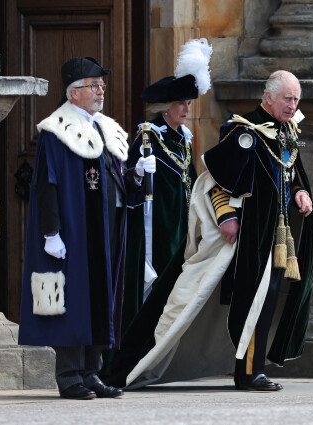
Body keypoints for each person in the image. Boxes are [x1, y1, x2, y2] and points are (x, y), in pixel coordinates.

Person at [106, 70, 313, 392]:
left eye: (296, 99)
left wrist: (300, 192)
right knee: (242, 300)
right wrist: (226, 216)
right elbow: (216, 179)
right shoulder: (244, 130)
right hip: (246, 235)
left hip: (275, 234)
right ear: (269, 97)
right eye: (287, 98)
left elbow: (291, 172)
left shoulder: (288, 131)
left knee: (268, 301)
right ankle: (246, 373)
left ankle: (253, 369)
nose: (292, 105)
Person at [18, 57, 156, 400]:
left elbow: (116, 182)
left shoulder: (104, 128)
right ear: (74, 93)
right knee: (73, 298)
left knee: (100, 296)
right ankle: (69, 376)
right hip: (73, 230)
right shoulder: (56, 130)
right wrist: (51, 233)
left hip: (105, 229)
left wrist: (136, 173)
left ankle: (92, 372)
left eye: (102, 86)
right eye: (94, 86)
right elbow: (47, 184)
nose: (101, 91)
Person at [100, 39, 211, 382]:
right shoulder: (148, 138)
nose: (186, 109)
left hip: (179, 227)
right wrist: (136, 173)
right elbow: (126, 185)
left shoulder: (184, 140)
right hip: (153, 229)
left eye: (188, 103)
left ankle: (162, 360)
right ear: (165, 107)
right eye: (180, 103)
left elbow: (191, 183)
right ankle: (129, 363)